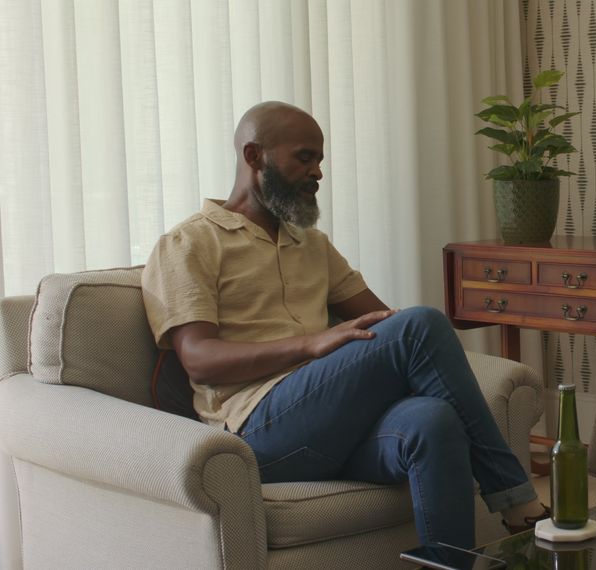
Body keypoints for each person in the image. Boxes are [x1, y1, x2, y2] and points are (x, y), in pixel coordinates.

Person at [141, 101, 548, 548]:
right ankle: (518, 502)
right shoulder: (190, 242)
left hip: (330, 426)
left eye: (320, 160)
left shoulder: (311, 244)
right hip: (257, 432)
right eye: (304, 157)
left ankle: (453, 562)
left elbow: (388, 326)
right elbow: (199, 359)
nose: (317, 173)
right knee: (421, 324)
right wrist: (311, 344)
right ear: (254, 156)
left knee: (434, 420)